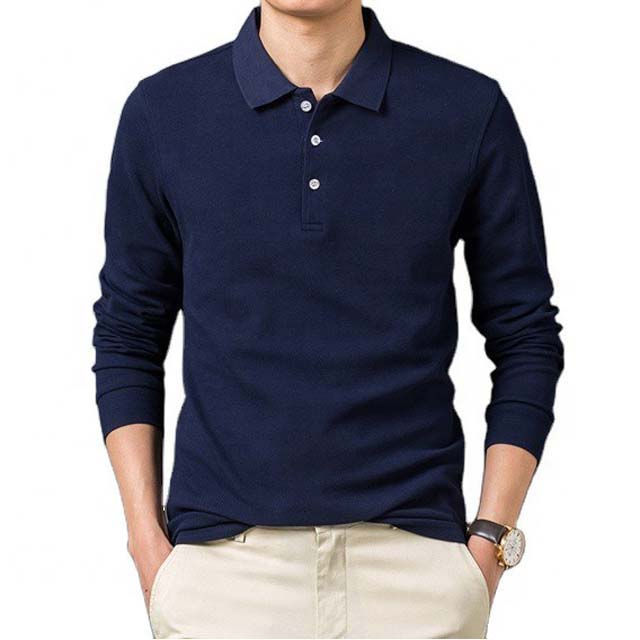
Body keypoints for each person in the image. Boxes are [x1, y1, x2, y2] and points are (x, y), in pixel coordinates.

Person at [92, 1, 563, 637]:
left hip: (415, 574)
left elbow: (526, 334)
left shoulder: (466, 109)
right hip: (222, 577)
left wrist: (491, 542)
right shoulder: (164, 111)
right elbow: (128, 333)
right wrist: (146, 542)